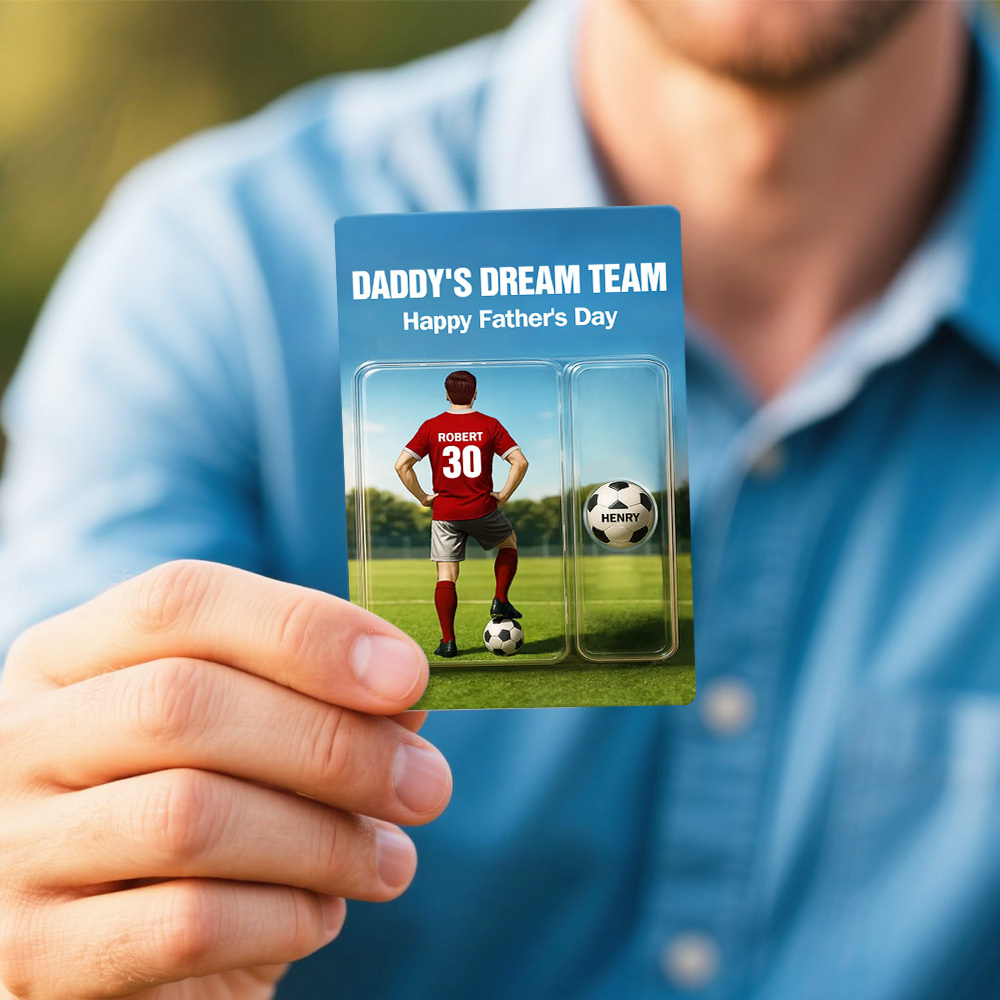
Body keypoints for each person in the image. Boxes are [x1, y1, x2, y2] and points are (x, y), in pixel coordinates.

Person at [1, 0, 999, 997]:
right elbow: (72, 833)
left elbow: (513, 458)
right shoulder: (224, 272)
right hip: (448, 509)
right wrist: (78, 918)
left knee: (502, 560)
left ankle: (503, 606)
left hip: (477, 508)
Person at [394, 369, 528, 658]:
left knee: (446, 575)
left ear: (446, 394)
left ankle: (448, 642)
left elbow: (401, 465)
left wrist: (423, 498)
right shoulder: (489, 424)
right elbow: (520, 462)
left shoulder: (431, 426)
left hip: (445, 512)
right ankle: (501, 600)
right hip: (482, 507)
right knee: (509, 544)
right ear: (475, 393)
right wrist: (503, 494)